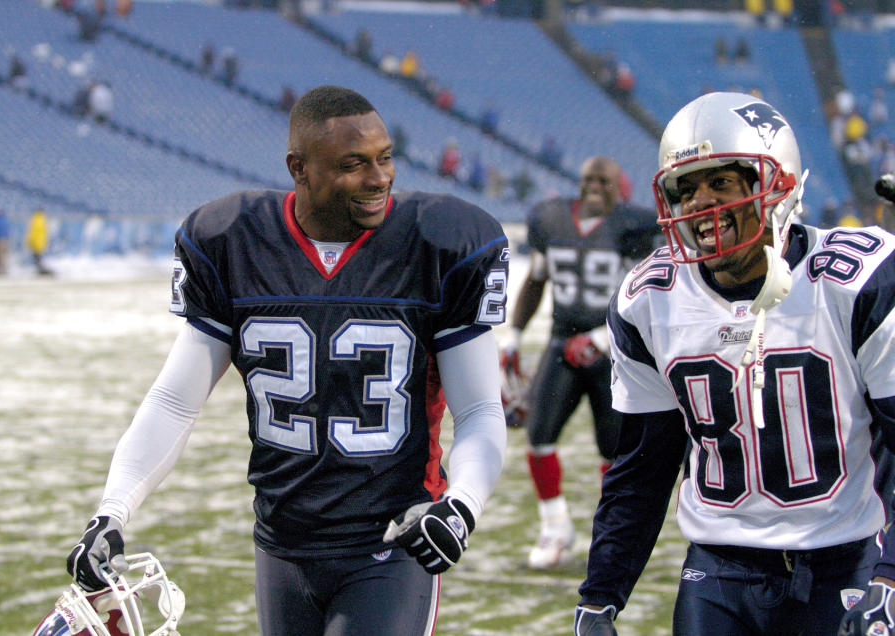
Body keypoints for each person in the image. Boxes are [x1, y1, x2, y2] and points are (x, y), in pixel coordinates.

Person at [63, 85, 509, 636]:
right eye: (353, 164)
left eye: (385, 157)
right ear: (299, 168)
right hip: (280, 541)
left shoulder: (439, 243)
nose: (379, 178)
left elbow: (482, 409)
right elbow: (175, 401)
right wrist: (112, 510)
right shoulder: (234, 241)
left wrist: (461, 506)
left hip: (390, 541)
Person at [574, 91, 895, 635]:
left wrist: (889, 579)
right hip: (718, 570)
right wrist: (600, 595)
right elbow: (644, 467)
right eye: (686, 188)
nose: (699, 203)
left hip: (843, 557)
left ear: (778, 188)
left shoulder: (857, 281)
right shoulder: (649, 299)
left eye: (721, 182)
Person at [500, 156, 658, 570]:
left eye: (603, 180)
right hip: (561, 341)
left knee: (614, 451)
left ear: (618, 186)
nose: (593, 186)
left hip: (614, 351)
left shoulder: (635, 227)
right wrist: (514, 335)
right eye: (588, 178)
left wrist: (604, 337)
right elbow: (536, 281)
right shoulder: (550, 220)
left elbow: (649, 296)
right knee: (538, 435)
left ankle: (614, 537)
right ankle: (555, 527)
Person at [26, 207, 52, 275]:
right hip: (40, 242)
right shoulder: (42, 219)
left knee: (37, 257)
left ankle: (40, 270)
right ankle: (40, 269)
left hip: (37, 242)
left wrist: (31, 241)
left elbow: (34, 232)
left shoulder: (37, 219)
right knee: (38, 257)